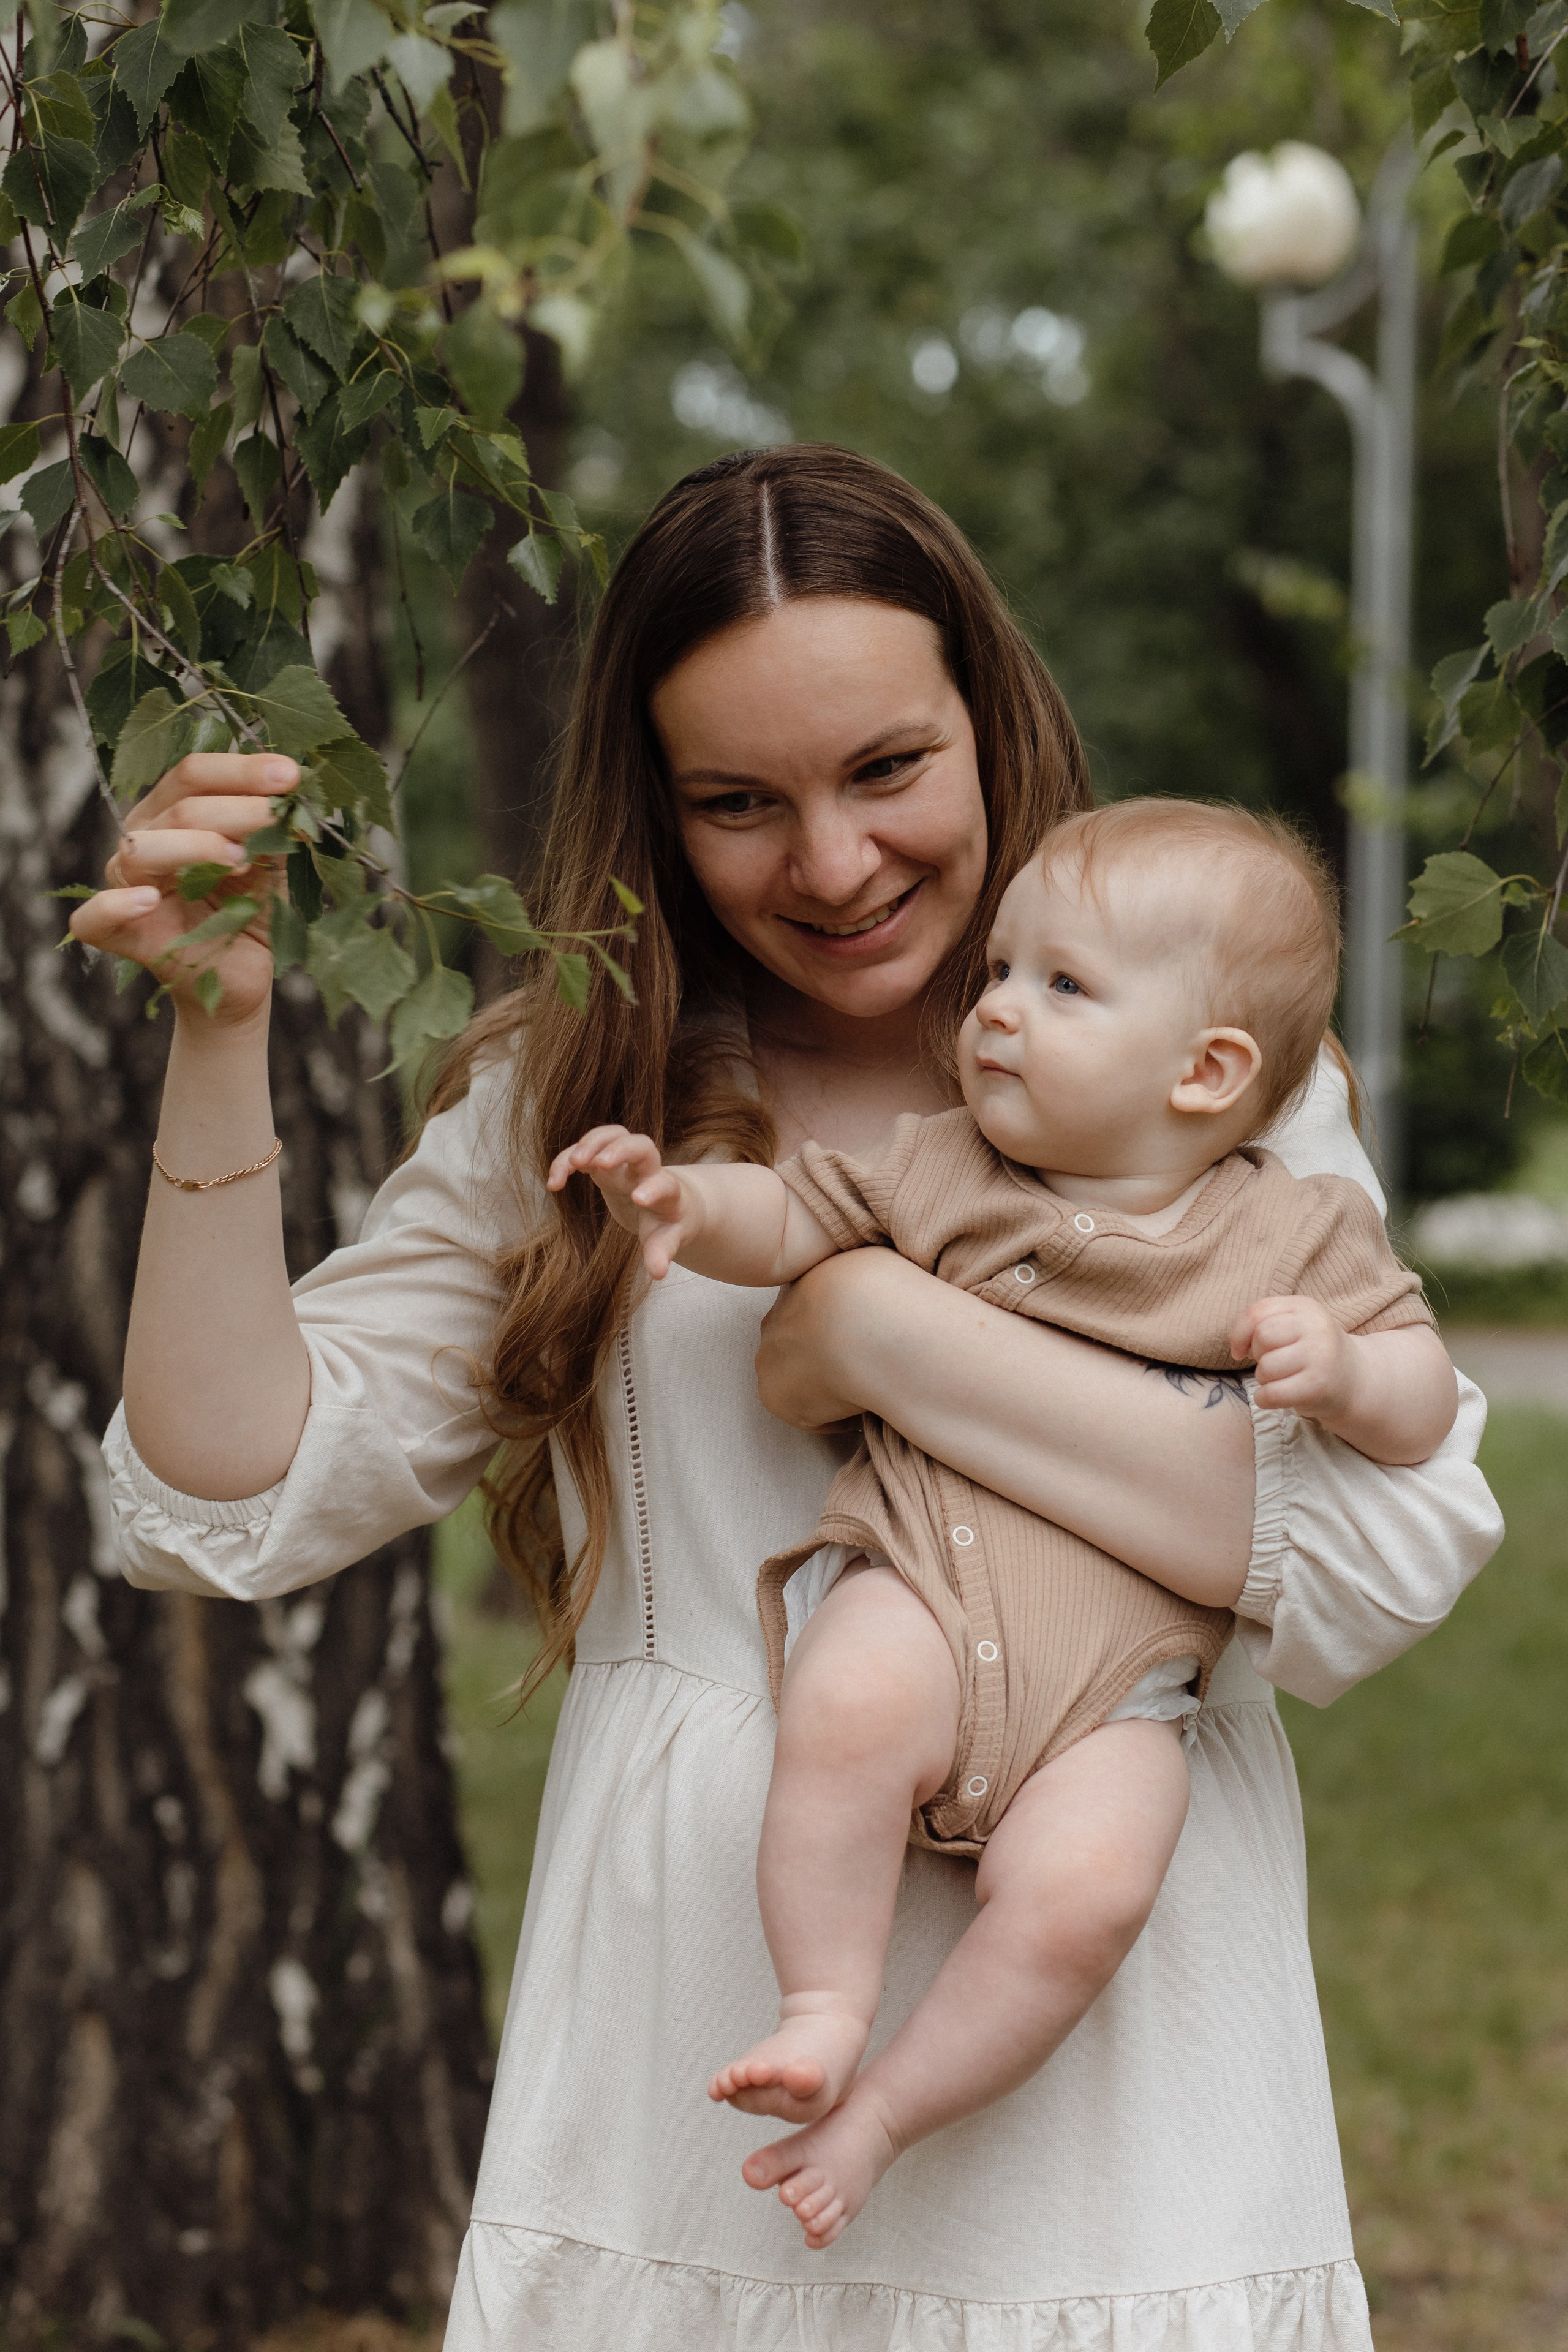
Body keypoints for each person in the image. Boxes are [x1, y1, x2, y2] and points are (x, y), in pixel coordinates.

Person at [80, 445, 1502, 2351]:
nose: (831, 866)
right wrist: (218, 1040)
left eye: (887, 771)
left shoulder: (1209, 1086)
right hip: (706, 2016)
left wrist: (886, 1337)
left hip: (1116, 2029)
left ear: (986, 726)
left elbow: (1366, 1559)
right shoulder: (581, 1100)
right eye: (740, 803)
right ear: (660, 814)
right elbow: (227, 1491)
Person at [548, 796, 1459, 2250]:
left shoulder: (1290, 1229)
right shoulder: (943, 1167)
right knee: (842, 1715)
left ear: (1206, 1070)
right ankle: (825, 2006)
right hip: (921, 1586)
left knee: (1086, 1899)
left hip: (1120, 1691)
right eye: (999, 976)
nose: (995, 1016)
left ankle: (892, 2108)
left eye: (1060, 987)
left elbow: (1420, 1400)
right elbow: (786, 1219)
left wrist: (1346, 1371)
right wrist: (679, 1203)